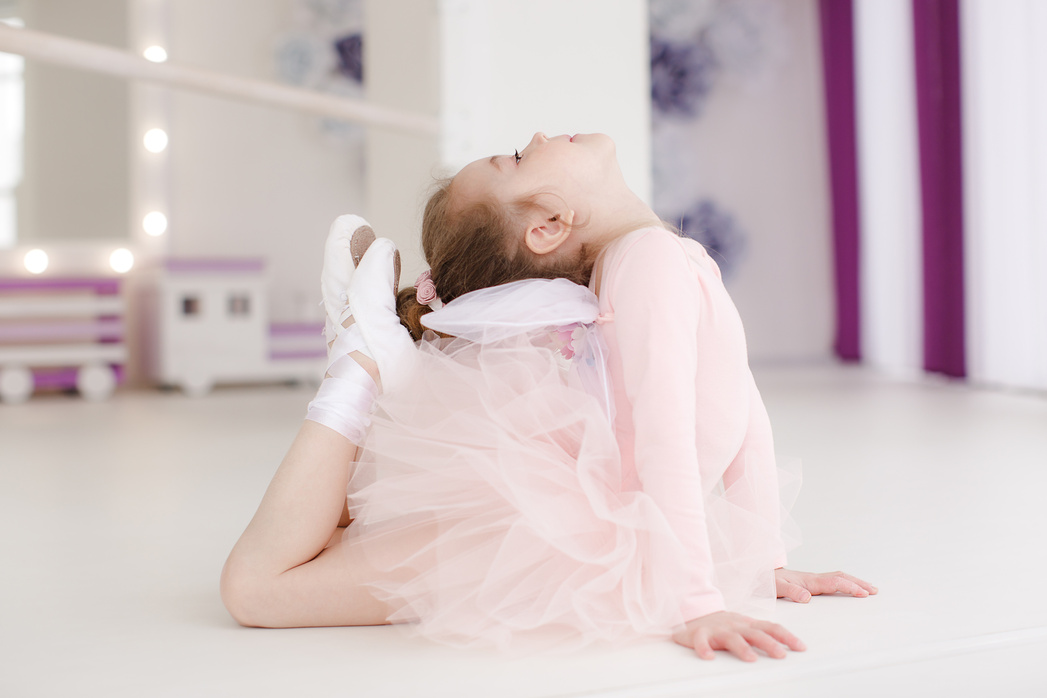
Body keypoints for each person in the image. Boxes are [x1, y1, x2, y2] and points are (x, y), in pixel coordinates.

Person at [221, 133, 876, 661]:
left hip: (564, 521)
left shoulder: (662, 257)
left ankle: (374, 358)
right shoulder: (649, 260)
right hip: (557, 529)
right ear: (548, 225)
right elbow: (664, 435)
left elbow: (740, 409)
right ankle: (360, 360)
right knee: (258, 591)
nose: (534, 136)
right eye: (514, 157)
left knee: (326, 546)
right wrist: (697, 602)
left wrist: (763, 565)